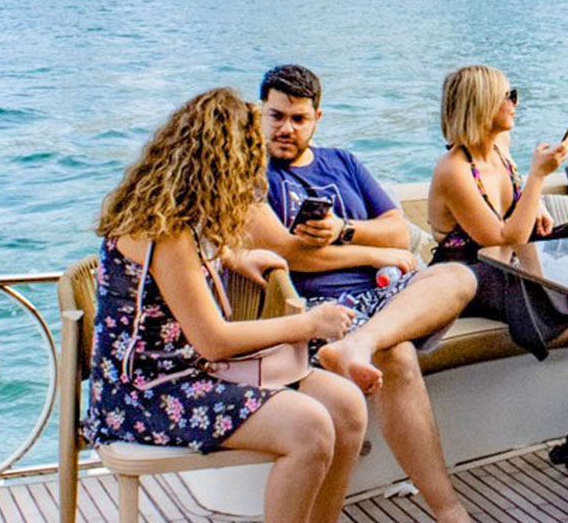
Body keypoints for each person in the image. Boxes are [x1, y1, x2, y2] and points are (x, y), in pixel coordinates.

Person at [84, 88, 366, 523]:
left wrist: (234, 257)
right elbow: (214, 341)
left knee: (346, 406)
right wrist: (309, 324)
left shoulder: (180, 216)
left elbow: (191, 268)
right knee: (309, 427)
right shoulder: (166, 231)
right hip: (147, 392)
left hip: (191, 370)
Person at [246, 65, 476, 523]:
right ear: (259, 114)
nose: (285, 128)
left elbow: (394, 230)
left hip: (380, 301)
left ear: (317, 118)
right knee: (400, 358)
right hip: (316, 308)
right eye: (276, 117)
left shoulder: (343, 162)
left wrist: (343, 230)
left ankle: (362, 344)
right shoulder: (249, 174)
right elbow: (290, 254)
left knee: (459, 276)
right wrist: (369, 257)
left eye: (298, 118)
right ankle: (449, 511)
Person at [427, 64, 568, 354]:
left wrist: (538, 204)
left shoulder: (500, 145)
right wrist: (538, 176)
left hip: (508, 269)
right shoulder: (453, 170)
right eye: (508, 96)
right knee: (546, 288)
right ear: (481, 105)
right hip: (470, 278)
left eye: (514, 94)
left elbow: (517, 209)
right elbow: (507, 235)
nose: (515, 103)